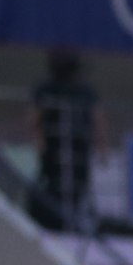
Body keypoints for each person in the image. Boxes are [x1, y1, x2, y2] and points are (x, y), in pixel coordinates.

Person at [28, 47, 98, 231]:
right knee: (52, 185)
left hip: (78, 149)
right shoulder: (47, 89)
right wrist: (39, 142)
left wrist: (101, 147)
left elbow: (98, 119)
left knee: (77, 187)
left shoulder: (84, 91)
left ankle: (71, 220)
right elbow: (35, 118)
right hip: (54, 148)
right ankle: (52, 220)